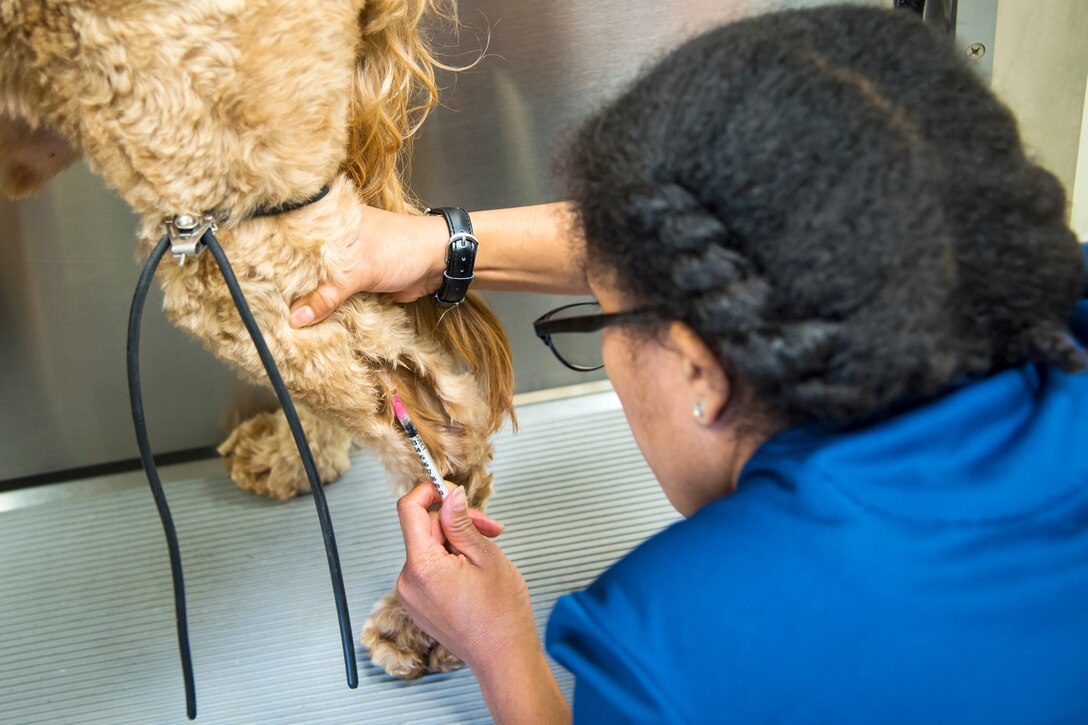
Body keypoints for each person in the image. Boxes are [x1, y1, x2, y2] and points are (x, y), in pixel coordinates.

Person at [291, 6, 1088, 723]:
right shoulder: (1059, 302)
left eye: (606, 314)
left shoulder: (671, 651)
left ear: (700, 370)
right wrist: (440, 246)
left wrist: (503, 649)